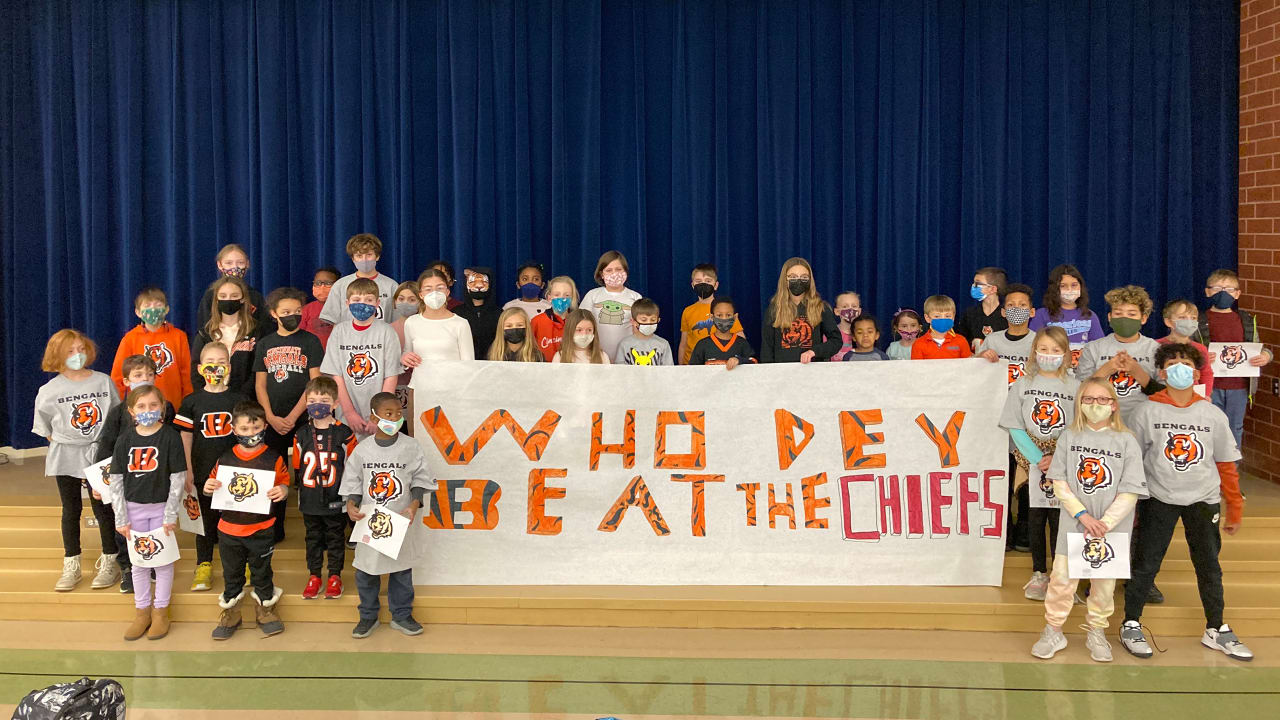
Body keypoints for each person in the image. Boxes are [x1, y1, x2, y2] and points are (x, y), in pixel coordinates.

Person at [1120, 343, 1252, 661]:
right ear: (1162, 373)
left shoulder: (1211, 413)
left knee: (1209, 565)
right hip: (1158, 498)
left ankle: (1216, 629)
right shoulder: (1146, 411)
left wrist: (1234, 505)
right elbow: (1130, 460)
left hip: (1203, 499)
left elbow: (1225, 464)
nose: (1180, 366)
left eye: (1187, 362)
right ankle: (1131, 623)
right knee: (1146, 564)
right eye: (1172, 362)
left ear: (1196, 373)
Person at [1030, 378, 1146, 662]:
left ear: (1114, 405)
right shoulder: (1069, 437)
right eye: (1089, 399)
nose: (1095, 405)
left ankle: (1096, 631)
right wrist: (1082, 515)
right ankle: (1053, 629)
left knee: (1104, 583)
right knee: (1061, 579)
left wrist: (1104, 522)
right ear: (1080, 404)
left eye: (1102, 400)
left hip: (1110, 529)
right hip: (1075, 524)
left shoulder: (1126, 440)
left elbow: (1131, 489)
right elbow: (1058, 480)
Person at [341, 393, 436, 638]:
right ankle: (368, 617)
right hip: (369, 520)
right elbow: (353, 483)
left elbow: (420, 479)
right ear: (374, 416)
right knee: (366, 571)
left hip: (400, 518)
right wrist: (351, 505)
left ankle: (402, 615)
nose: (395, 418)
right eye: (388, 414)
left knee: (401, 570)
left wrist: (414, 503)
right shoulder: (362, 450)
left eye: (398, 413)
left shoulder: (411, 446)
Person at [34, 329, 121, 593]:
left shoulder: (103, 382)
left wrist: (100, 449)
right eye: (69, 351)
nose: (77, 355)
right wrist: (71, 445)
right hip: (67, 453)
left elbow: (116, 418)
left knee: (103, 508)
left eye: (80, 349)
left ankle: (110, 560)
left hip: (99, 453)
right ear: (57, 355)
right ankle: (71, 563)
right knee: (70, 509)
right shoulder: (49, 390)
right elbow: (46, 428)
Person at [999, 327, 1081, 600]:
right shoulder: (1024, 383)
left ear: (1066, 353)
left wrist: (1057, 457)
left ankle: (1061, 573)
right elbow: (1013, 424)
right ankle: (1038, 572)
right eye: (1043, 349)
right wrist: (1038, 459)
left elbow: (1081, 425)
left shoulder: (1075, 385)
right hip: (1030, 460)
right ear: (1034, 351)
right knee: (1036, 517)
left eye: (1056, 351)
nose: (1049, 355)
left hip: (1065, 459)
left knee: (1061, 517)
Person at [203, 400, 290, 640]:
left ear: (264, 427)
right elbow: (211, 485)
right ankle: (231, 612)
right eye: (244, 429)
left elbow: (284, 483)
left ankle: (266, 609)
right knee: (232, 573)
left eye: (255, 428)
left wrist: (282, 490)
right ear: (234, 430)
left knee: (262, 572)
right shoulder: (225, 459)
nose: (250, 434)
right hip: (228, 529)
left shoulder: (274, 458)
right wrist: (209, 487)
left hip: (261, 528)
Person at [108, 384, 187, 641]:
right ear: (131, 411)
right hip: (133, 510)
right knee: (139, 563)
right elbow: (117, 480)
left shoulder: (170, 437)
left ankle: (161, 611)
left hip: (161, 507)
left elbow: (177, 477)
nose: (148, 410)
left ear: (162, 407)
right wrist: (121, 516)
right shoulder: (125, 440)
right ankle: (141, 612)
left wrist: (170, 514)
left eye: (153, 405)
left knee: (163, 562)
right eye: (141, 406)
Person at [95, 355, 177, 593]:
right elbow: (105, 448)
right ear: (126, 380)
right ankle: (129, 568)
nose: (144, 380)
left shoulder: (165, 408)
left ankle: (154, 562)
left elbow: (173, 445)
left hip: (156, 482)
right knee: (127, 528)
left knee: (156, 526)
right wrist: (101, 484)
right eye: (138, 376)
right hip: (129, 485)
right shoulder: (118, 412)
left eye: (150, 375)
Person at [174, 342, 247, 593]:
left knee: (237, 520)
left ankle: (240, 564)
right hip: (204, 472)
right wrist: (187, 470)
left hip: (235, 475)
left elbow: (248, 437)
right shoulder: (192, 401)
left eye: (221, 362)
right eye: (210, 362)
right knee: (205, 523)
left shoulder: (239, 399)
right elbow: (185, 437)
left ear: (228, 366)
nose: (216, 366)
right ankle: (204, 563)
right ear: (200, 367)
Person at [253, 286, 323, 540]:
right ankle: (275, 526)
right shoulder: (265, 344)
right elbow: (260, 385)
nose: (292, 315)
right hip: (272, 420)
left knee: (312, 474)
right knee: (274, 473)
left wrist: (294, 416)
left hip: (304, 417)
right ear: (274, 314)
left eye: (296, 311)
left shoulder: (310, 341)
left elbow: (314, 383)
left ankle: (316, 531)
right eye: (286, 312)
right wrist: (270, 416)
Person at [1194, 268, 1274, 452]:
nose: (1223, 293)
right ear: (1207, 292)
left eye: (1229, 289)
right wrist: (1200, 356)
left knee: (1234, 429)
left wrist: (1266, 357)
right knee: (1208, 428)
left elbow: (1260, 349)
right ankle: (1209, 471)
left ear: (1237, 294)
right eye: (1217, 288)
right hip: (1209, 386)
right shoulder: (1198, 320)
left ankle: (1230, 474)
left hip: (1239, 387)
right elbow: (1186, 349)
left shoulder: (1245, 319)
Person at [292, 377, 358, 600]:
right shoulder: (301, 434)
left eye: (323, 400)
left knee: (335, 537)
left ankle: (334, 576)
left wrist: (350, 497)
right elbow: (297, 467)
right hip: (310, 498)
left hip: (335, 497)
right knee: (312, 539)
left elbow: (352, 467)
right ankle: (314, 576)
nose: (317, 404)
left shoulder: (344, 433)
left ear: (335, 403)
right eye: (312, 400)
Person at [318, 277, 403, 439]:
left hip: (381, 414)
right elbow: (337, 376)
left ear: (378, 303)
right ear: (347, 303)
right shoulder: (339, 332)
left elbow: (391, 376)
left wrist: (379, 415)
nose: (362, 304)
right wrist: (349, 412)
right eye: (357, 299)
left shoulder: (387, 332)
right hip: (347, 412)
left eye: (369, 300)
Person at [1075, 285, 1160, 422]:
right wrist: (1106, 369)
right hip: (1101, 423)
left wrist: (1136, 371)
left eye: (1131, 314)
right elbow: (1080, 391)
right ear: (1109, 317)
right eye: (1118, 313)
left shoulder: (1155, 349)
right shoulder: (1094, 348)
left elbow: (1164, 393)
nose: (1124, 318)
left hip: (1143, 422)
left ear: (1143, 318)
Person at [110, 287, 192, 405]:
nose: (153, 309)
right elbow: (118, 376)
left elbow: (187, 374)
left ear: (166, 309)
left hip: (173, 404)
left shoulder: (179, 336)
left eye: (158, 305)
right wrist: (119, 407)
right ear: (138, 312)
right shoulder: (130, 339)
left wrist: (187, 403)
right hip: (140, 406)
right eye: (147, 306)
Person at [190, 276, 264, 398]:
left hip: (246, 402)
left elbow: (257, 371)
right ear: (216, 300)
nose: (228, 300)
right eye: (223, 296)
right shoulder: (205, 334)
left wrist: (241, 398)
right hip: (210, 400)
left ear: (243, 299)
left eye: (234, 296)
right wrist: (206, 396)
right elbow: (196, 371)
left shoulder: (256, 332)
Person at [760, 258, 841, 363]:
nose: (798, 281)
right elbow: (767, 348)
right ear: (785, 280)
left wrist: (814, 352)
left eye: (804, 277)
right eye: (793, 277)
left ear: (810, 280)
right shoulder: (774, 310)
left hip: (812, 372)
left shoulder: (820, 307)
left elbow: (836, 341)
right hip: (782, 373)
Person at [1029, 264, 1105, 364]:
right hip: (1051, 369)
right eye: (1063, 286)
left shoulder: (1090, 316)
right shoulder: (1042, 314)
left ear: (1080, 287)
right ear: (1054, 289)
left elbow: (1099, 349)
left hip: (1083, 371)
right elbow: (1032, 347)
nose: (1069, 289)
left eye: (1074, 285)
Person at [319, 233, 399, 325]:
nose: (364, 260)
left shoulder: (391, 286)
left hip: (381, 338)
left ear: (377, 256)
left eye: (369, 255)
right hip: (348, 338)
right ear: (353, 258)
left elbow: (396, 322)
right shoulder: (340, 285)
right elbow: (334, 321)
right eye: (359, 256)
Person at [195, 244, 273, 333]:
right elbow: (204, 327)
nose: (235, 267)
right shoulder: (211, 295)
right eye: (229, 263)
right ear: (220, 265)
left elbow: (265, 327)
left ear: (247, 264)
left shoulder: (255, 296)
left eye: (240, 263)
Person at [580, 251, 643, 360]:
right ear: (601, 274)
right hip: (596, 356)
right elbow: (580, 323)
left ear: (625, 271)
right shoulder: (592, 295)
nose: (614, 273)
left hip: (627, 357)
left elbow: (641, 330)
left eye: (619, 269)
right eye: (609, 270)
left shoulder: (635, 297)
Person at [679, 263, 742, 365]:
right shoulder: (688, 311)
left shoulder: (725, 309)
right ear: (692, 285)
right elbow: (683, 344)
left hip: (721, 365)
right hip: (693, 367)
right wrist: (681, 367)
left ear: (715, 285)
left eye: (708, 281)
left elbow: (740, 339)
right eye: (698, 281)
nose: (703, 284)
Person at [977, 283, 1036, 385]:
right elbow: (975, 369)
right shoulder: (992, 340)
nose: (1016, 309)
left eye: (1022, 305)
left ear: (1032, 312)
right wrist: (981, 356)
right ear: (1003, 312)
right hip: (997, 396)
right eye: (1010, 305)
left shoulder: (1039, 341)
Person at [1159, 299, 1214, 397]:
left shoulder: (1200, 348)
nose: (1189, 321)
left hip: (1193, 397)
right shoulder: (1156, 345)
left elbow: (1206, 374)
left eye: (1193, 318)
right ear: (1169, 322)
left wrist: (1206, 395)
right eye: (1182, 317)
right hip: (1164, 396)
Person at [689, 297, 756, 369]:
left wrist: (740, 360)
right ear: (712, 317)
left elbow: (754, 362)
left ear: (735, 317)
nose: (724, 319)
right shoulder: (702, 345)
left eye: (728, 315)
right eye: (719, 315)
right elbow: (692, 372)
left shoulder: (742, 343)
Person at [454, 266, 502, 359]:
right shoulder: (456, 313)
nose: (479, 285)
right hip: (464, 365)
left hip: (492, 365)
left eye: (484, 282)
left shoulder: (499, 313)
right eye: (472, 281)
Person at [957, 267, 1009, 351]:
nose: (973, 286)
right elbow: (962, 342)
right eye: (973, 283)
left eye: (977, 284)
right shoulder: (970, 314)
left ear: (993, 289)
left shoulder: (1006, 315)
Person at [615, 298, 675, 366]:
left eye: (652, 320)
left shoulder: (663, 344)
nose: (648, 323)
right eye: (644, 320)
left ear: (658, 320)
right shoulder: (624, 344)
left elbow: (668, 370)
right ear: (633, 322)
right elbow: (619, 370)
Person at [531, 276, 578, 361]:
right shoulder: (537, 321)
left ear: (572, 298)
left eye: (566, 295)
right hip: (544, 371)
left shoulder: (578, 322)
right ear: (549, 298)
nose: (562, 298)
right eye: (557, 294)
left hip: (571, 370)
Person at [911, 295, 972, 360]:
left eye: (947, 316)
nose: (943, 319)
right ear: (927, 318)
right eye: (937, 316)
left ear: (953, 317)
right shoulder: (919, 344)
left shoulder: (961, 341)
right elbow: (916, 369)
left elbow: (968, 366)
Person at [299, 266, 339, 347]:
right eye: (317, 283)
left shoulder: (345, 308)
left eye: (328, 283)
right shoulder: (307, 309)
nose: (322, 287)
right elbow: (299, 335)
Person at [831, 292, 863, 361]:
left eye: (854, 306)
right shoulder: (830, 334)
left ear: (859, 311)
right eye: (845, 306)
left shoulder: (864, 334)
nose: (850, 309)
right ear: (837, 311)